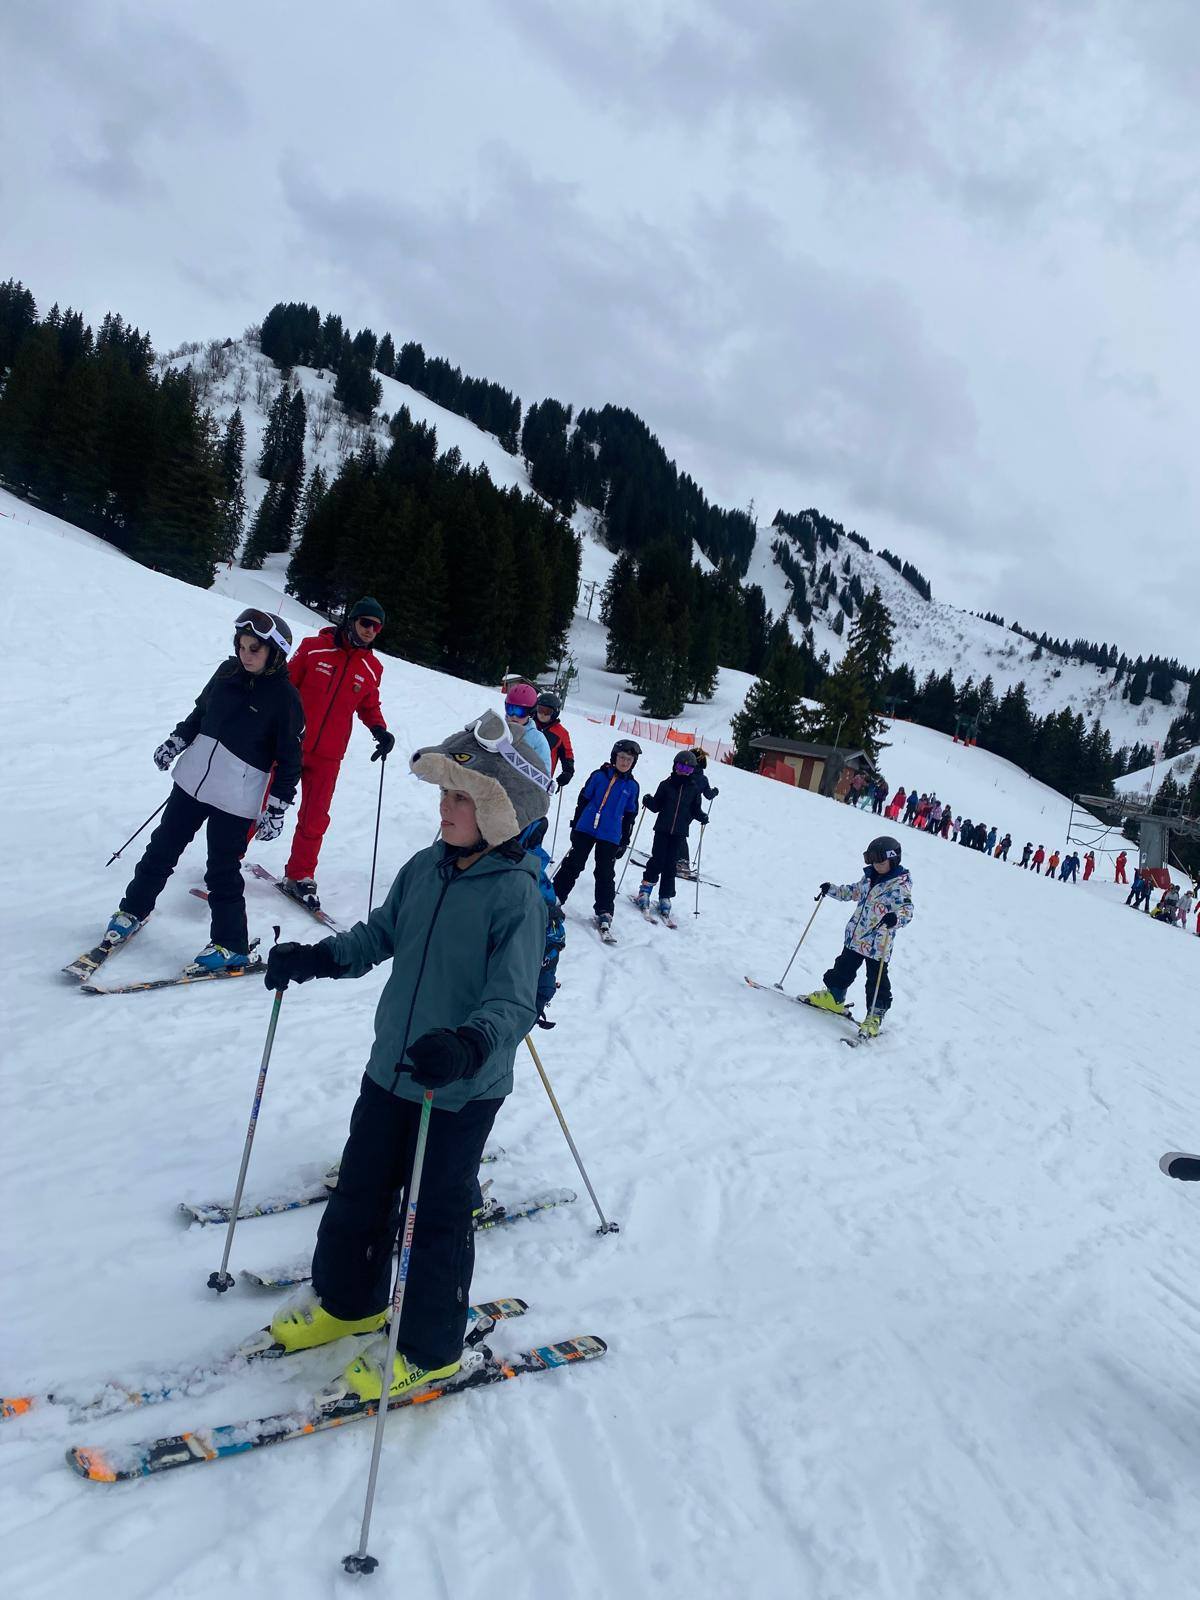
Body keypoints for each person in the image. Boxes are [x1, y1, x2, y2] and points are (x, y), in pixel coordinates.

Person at [261, 707, 551, 1401]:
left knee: (436, 1217)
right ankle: (350, 1302)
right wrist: (320, 957)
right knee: (361, 1190)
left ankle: (430, 1347)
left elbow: (513, 1002)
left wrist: (467, 1044)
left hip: (459, 1089)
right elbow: (381, 934)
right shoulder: (426, 867)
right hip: (392, 1067)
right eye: (444, 792)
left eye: (463, 797)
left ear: (501, 813)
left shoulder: (516, 895)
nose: (445, 807)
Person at [97, 608, 303, 971]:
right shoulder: (226, 673)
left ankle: (231, 945)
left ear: (274, 653)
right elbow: (199, 715)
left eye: (255, 649)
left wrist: (277, 808)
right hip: (191, 782)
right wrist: (176, 741)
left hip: (236, 798)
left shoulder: (285, 699)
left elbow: (290, 760)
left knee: (221, 870)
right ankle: (132, 911)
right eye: (242, 646)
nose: (246, 654)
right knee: (161, 850)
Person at [282, 597, 393, 912]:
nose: (370, 630)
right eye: (366, 623)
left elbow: (369, 704)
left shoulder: (372, 668)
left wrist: (380, 730)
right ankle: (229, 861)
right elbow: (285, 687)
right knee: (260, 803)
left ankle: (300, 875)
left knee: (315, 818)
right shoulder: (313, 648)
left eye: (377, 627)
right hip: (289, 744)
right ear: (351, 620)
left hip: (329, 755)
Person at [803, 836, 915, 1039]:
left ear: (893, 860)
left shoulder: (899, 885)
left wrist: (895, 918)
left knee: (876, 981)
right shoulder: (869, 877)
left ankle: (875, 1015)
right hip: (856, 937)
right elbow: (853, 892)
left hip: (878, 944)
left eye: (880, 861)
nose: (876, 865)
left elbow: (907, 910)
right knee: (842, 968)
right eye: (873, 861)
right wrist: (832, 889)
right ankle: (834, 997)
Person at [552, 739, 642, 937]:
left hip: (610, 835)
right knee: (574, 864)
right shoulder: (599, 776)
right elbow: (583, 800)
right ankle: (555, 897)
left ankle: (604, 911)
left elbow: (630, 816)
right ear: (614, 757)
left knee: (605, 873)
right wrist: (576, 825)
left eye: (629, 760)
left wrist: (624, 840)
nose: (624, 762)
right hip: (586, 828)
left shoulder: (632, 786)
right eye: (622, 757)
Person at [636, 753, 710, 921]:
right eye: (681, 767)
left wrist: (702, 816)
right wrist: (649, 801)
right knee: (657, 860)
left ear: (692, 771)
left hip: (679, 833)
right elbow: (657, 805)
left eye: (688, 769)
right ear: (675, 766)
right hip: (662, 830)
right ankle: (645, 891)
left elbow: (695, 810)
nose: (683, 771)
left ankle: (665, 896)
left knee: (670, 865)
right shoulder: (666, 785)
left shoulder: (694, 790)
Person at [675, 746, 719, 877]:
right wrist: (715, 792)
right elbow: (708, 795)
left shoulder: (685, 773)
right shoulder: (703, 779)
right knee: (679, 833)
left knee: (676, 833)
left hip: (678, 806)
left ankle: (682, 862)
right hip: (692, 811)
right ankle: (676, 858)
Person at [500, 682, 551, 775]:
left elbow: (544, 773)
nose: (514, 716)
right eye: (510, 709)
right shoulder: (498, 728)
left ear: (530, 711)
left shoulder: (537, 739)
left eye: (520, 712)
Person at [533, 691, 575, 790]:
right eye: (540, 710)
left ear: (555, 713)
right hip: (520, 770)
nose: (542, 714)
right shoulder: (529, 724)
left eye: (547, 712)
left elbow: (567, 755)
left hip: (542, 778)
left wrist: (568, 772)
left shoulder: (561, 733)